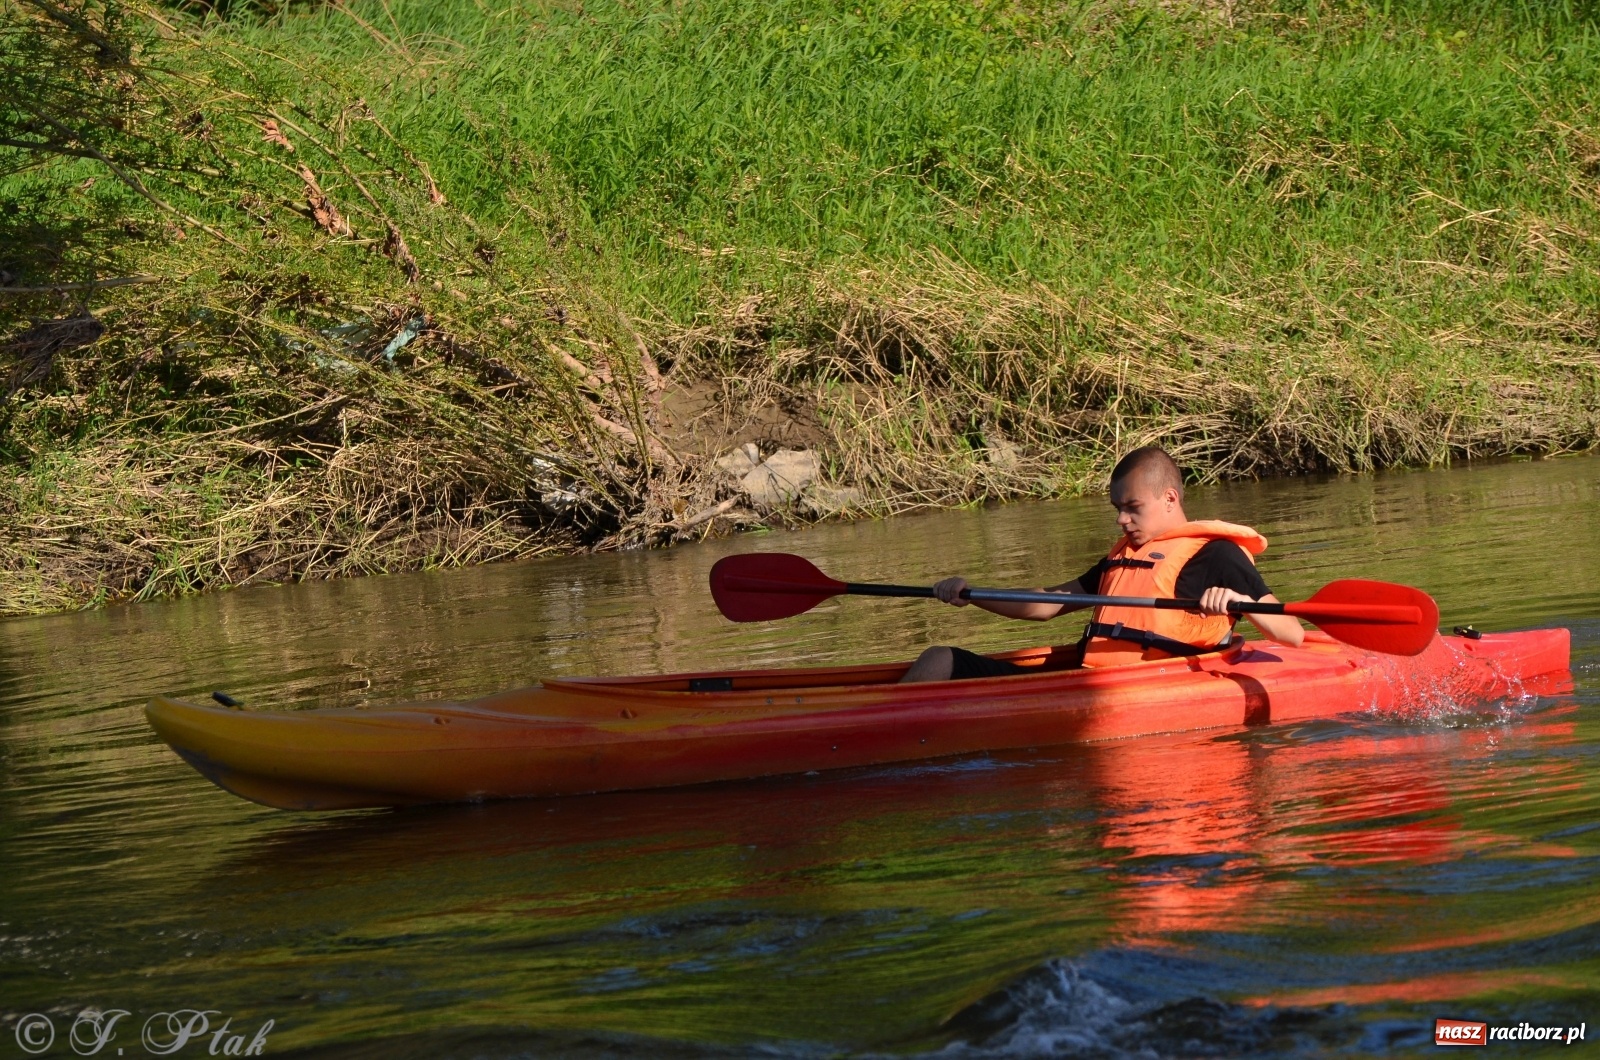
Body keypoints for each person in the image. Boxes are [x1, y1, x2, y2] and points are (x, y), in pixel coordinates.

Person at [899, 446, 1304, 682]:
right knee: (940, 659)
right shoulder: (1124, 557)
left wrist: (1237, 601)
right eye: (1117, 509)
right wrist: (971, 594)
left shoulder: (1216, 554)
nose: (1121, 519)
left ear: (1169, 499)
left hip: (1138, 689)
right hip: (1085, 681)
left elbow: (1291, 634)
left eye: (1132, 508)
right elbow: (1045, 604)